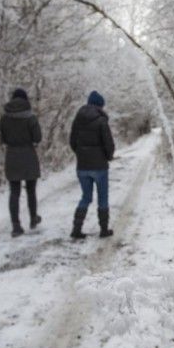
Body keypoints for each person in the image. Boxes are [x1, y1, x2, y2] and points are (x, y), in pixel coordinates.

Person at [69, 90, 115, 239]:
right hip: (99, 166)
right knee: (102, 197)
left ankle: (76, 229)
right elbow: (108, 143)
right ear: (100, 106)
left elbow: (72, 142)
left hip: (82, 166)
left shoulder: (78, 119)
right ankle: (103, 230)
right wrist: (108, 156)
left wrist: (81, 154)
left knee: (86, 197)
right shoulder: (101, 120)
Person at [0, 88, 42, 237]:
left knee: (14, 192)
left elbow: (3, 138)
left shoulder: (5, 118)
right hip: (28, 154)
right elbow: (37, 137)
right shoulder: (31, 117)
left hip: (12, 156)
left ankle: (16, 225)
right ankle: (33, 218)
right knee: (31, 190)